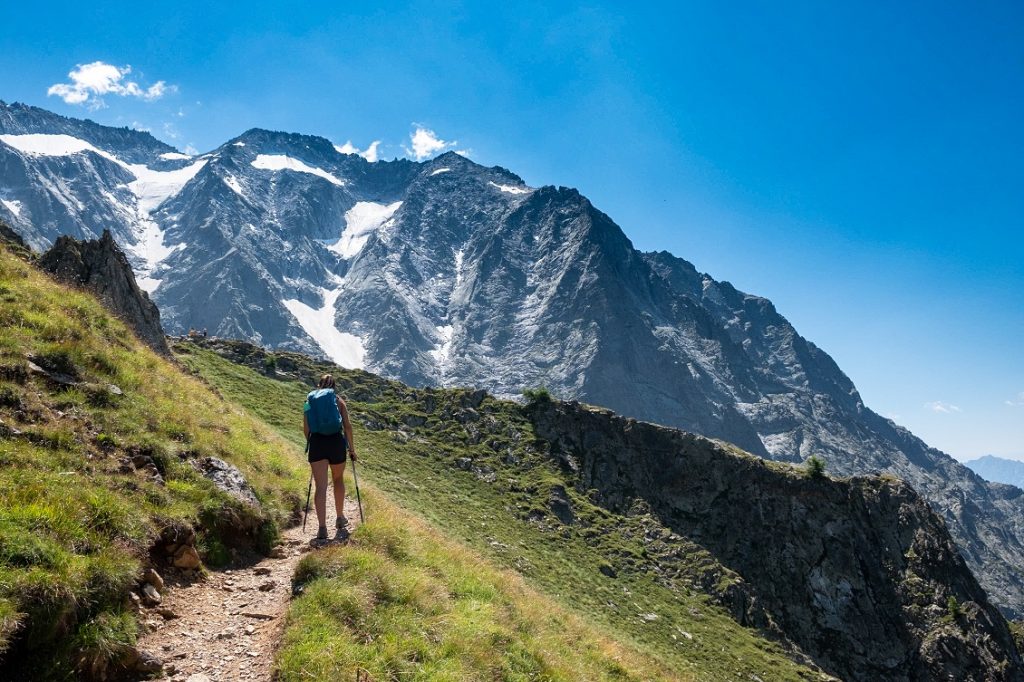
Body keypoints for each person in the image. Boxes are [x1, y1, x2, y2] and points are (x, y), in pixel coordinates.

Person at [303, 374, 357, 541]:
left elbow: (306, 427)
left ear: (319, 385)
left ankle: (321, 528)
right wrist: (352, 450)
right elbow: (347, 427)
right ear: (334, 386)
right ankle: (340, 518)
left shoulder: (309, 400)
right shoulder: (338, 401)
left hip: (317, 443)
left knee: (320, 487)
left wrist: (312, 443)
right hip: (336, 442)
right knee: (338, 479)